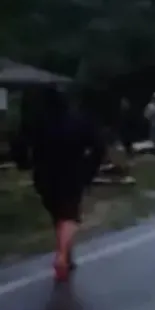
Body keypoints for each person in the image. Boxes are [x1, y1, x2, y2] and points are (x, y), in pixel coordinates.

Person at [10, 86, 107, 282]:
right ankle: (62, 256)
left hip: (45, 175)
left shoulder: (37, 121)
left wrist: (24, 163)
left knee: (59, 216)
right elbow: (98, 146)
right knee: (70, 216)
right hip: (73, 174)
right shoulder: (79, 120)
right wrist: (90, 169)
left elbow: (19, 144)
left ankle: (67, 255)